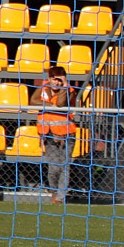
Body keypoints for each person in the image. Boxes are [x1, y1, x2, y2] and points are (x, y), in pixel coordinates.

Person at [32, 66, 77, 204]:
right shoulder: (44, 88)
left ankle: (60, 197)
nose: (56, 83)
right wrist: (50, 104)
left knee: (64, 166)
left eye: (59, 80)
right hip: (48, 134)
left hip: (66, 135)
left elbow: (61, 103)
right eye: (54, 79)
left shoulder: (69, 91)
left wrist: (64, 85)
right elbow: (33, 100)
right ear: (49, 78)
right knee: (53, 167)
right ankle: (53, 191)